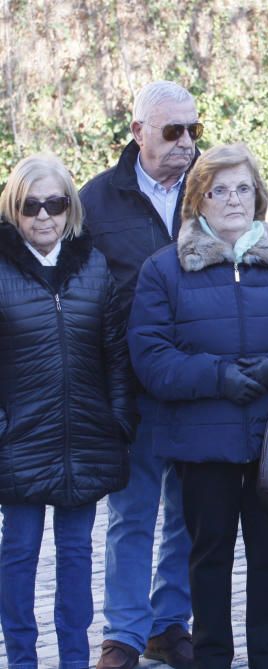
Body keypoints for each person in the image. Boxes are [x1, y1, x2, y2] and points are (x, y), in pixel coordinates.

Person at [127, 143, 268, 668]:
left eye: (242, 188)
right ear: (198, 199)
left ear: (258, 196)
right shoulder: (163, 270)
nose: (232, 199)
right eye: (219, 189)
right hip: (204, 443)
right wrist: (218, 376)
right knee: (208, 559)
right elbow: (151, 359)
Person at [80, 79, 199, 669]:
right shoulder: (95, 201)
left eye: (192, 131)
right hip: (131, 383)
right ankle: (124, 635)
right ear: (137, 131)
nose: (184, 143)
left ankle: (169, 622)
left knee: (188, 512)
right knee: (131, 514)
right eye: (171, 131)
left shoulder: (213, 187)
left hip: (201, 378)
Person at [0, 154, 132, 669]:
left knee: (77, 558)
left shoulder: (92, 264)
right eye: (31, 205)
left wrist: (119, 419)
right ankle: (21, 660)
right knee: (19, 556)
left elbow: (115, 352)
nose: (44, 216)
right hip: (20, 442)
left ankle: (75, 660)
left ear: (70, 207)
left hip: (86, 439)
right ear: (15, 208)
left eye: (55, 204)